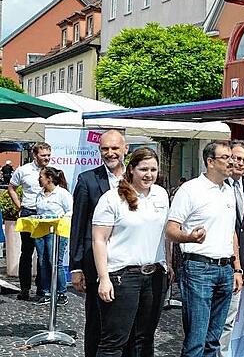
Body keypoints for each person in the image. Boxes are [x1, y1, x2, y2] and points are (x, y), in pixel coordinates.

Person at [166, 140, 244, 357]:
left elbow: (232, 233)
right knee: (196, 340)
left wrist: (237, 268)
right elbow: (171, 230)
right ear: (210, 162)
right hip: (198, 269)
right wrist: (189, 236)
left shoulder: (228, 190)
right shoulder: (190, 190)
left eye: (233, 158)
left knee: (214, 340)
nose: (232, 162)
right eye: (226, 158)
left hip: (226, 269)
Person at [91, 147, 171, 356]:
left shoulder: (161, 195)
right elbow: (99, 240)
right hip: (122, 277)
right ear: (132, 169)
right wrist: (104, 278)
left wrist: (168, 264)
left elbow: (163, 234)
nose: (149, 174)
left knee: (144, 340)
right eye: (144, 169)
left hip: (154, 275)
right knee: (114, 341)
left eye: (153, 169)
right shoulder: (112, 199)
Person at [70, 130, 129, 357]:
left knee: (126, 321)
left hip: (128, 261)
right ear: (99, 151)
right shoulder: (87, 180)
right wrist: (76, 266)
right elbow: (78, 224)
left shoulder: (135, 179)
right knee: (96, 319)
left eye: (115, 148)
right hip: (95, 261)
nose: (110, 153)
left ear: (125, 149)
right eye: (105, 148)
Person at [219, 141, 244, 357]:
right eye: (236, 158)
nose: (240, 163)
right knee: (217, 320)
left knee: (230, 320)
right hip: (221, 262)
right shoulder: (218, 187)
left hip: (240, 266)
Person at [8, 142, 52, 301]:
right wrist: (19, 206)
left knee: (44, 253)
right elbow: (11, 187)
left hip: (46, 214)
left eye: (48, 155)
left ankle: (42, 289)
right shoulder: (23, 170)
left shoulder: (53, 171)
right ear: (35, 155)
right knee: (27, 252)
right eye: (43, 155)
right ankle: (25, 289)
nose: (46, 158)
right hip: (28, 212)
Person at [34, 166, 73, 306]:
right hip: (41, 230)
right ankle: (46, 292)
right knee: (42, 261)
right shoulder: (40, 194)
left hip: (56, 232)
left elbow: (70, 211)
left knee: (55, 261)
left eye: (41, 176)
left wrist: (59, 218)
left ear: (49, 179)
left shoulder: (62, 194)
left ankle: (62, 292)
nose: (39, 179)